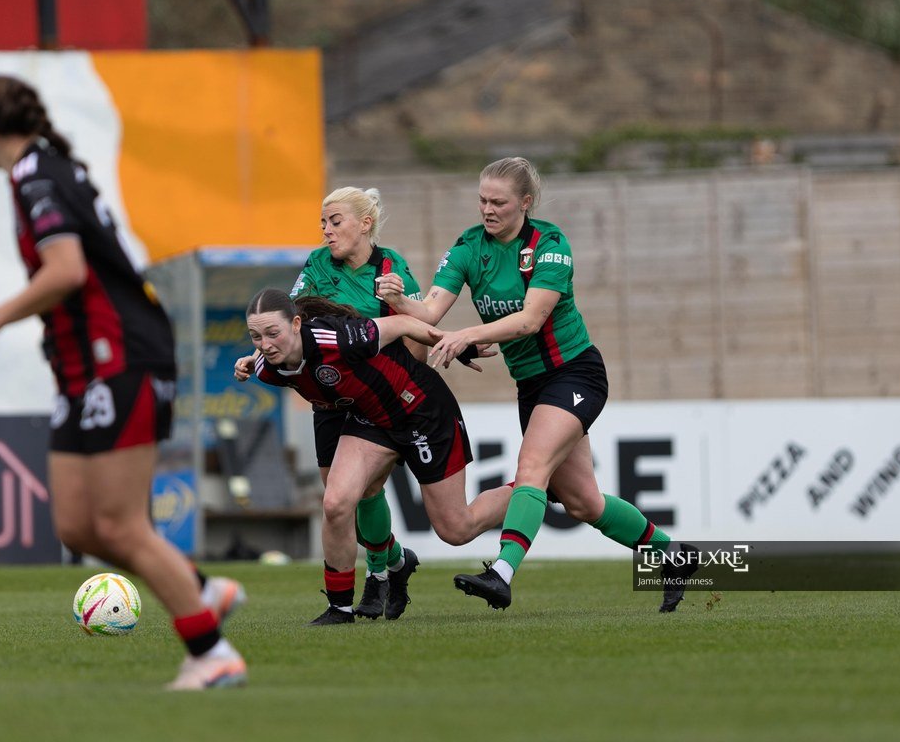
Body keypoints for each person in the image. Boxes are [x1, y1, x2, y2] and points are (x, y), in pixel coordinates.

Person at [0, 74, 246, 690]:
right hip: (82, 366)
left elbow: (66, 271)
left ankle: (211, 652)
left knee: (118, 525)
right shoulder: (45, 168)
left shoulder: (36, 177)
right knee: (78, 527)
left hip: (119, 358)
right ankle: (201, 588)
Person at [377, 156, 698, 612]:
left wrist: (468, 334)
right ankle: (673, 556)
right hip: (531, 387)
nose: (487, 210)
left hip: (575, 374)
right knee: (584, 503)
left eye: (499, 202)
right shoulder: (469, 247)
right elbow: (429, 314)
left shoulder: (549, 244)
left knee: (532, 470)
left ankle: (502, 573)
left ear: (525, 202)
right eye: (482, 200)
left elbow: (530, 321)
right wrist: (399, 300)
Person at [236, 187, 489, 620]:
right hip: (330, 393)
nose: (326, 231)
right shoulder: (317, 265)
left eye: (335, 221)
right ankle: (385, 568)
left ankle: (378, 573)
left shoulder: (390, 270)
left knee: (435, 519)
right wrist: (260, 355)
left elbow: (411, 329)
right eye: (322, 222)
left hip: (389, 397)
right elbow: (285, 325)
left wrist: (406, 380)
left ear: (364, 223)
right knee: (340, 498)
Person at [241, 289, 513, 625]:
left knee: (456, 529)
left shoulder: (339, 338)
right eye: (256, 336)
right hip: (372, 421)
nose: (265, 344)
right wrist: (250, 360)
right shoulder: (267, 367)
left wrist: (454, 343)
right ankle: (340, 608)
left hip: (422, 410)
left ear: (297, 324)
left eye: (273, 333)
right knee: (336, 503)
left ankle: (535, 488)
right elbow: (263, 358)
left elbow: (401, 323)